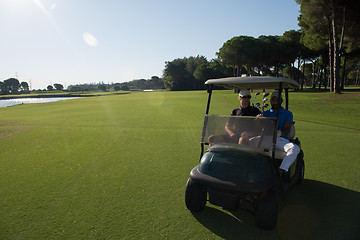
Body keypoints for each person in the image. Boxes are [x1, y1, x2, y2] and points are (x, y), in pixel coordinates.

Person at [257, 91, 300, 175]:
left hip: (279, 139)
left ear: (281, 101)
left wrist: (278, 133)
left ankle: (280, 171)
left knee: (295, 149)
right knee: (246, 144)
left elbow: (286, 129)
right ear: (270, 101)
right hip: (266, 138)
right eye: (273, 100)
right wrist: (258, 119)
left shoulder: (287, 114)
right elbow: (259, 128)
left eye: (277, 100)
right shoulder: (265, 113)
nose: (275, 102)